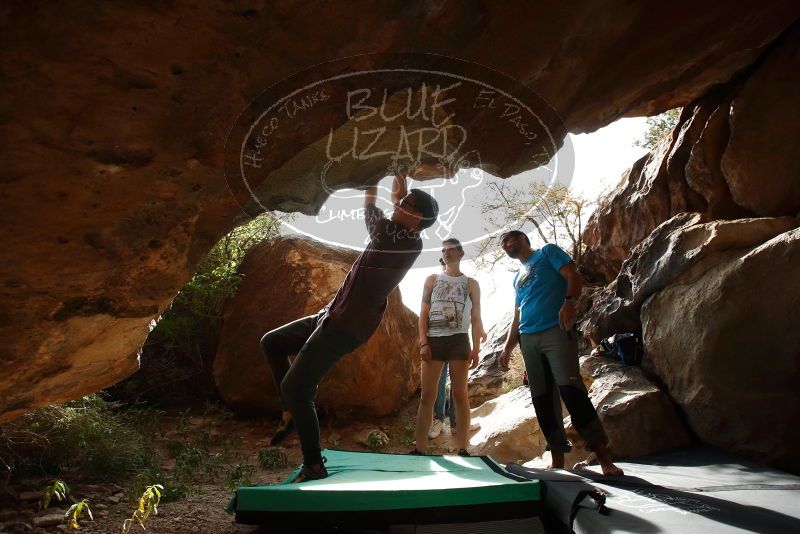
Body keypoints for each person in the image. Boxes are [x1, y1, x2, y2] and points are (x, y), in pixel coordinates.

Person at [260, 168, 440, 482]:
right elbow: (399, 200)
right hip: (330, 314)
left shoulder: (404, 241)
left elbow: (373, 211)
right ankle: (290, 410)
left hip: (347, 324)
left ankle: (313, 465)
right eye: (401, 203)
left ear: (418, 218)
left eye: (406, 206)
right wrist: (398, 176)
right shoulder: (401, 229)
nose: (398, 205)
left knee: (296, 387)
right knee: (271, 343)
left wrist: (372, 179)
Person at [498, 230, 623, 476]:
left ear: (524, 239)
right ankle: (557, 461)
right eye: (503, 243)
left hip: (555, 331)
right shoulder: (517, 278)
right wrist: (507, 347)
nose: (507, 244)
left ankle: (604, 459)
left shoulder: (547, 252)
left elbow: (572, 276)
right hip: (528, 339)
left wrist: (568, 303)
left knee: (572, 390)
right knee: (542, 400)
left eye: (511, 239)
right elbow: (517, 315)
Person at [413, 238, 486, 456]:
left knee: (460, 395)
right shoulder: (432, 280)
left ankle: (463, 448)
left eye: (450, 250)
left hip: (459, 340)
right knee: (427, 395)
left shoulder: (471, 283)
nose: (445, 253)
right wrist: (423, 341)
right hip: (434, 340)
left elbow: (475, 317)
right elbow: (423, 313)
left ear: (461, 253)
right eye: (443, 250)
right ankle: (419, 449)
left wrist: (475, 349)